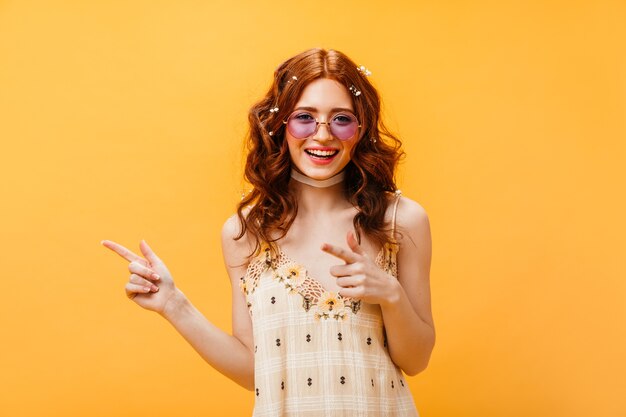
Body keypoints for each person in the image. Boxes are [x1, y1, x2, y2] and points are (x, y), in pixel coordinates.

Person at [102, 48, 435, 416]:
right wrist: (174, 305)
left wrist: (391, 294)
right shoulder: (245, 232)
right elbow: (253, 371)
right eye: (304, 118)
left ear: (360, 130)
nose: (322, 135)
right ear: (280, 126)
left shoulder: (401, 221)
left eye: (341, 119)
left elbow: (417, 359)